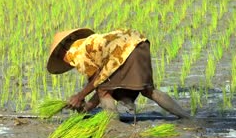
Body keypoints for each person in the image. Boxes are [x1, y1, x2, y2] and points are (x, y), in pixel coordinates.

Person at [47, 28, 191, 119]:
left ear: (62, 53)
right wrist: (86, 107)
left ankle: (114, 126)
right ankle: (186, 117)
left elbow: (98, 82)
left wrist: (80, 96)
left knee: (104, 91)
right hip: (140, 43)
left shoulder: (76, 53)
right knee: (148, 90)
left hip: (122, 52)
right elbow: (102, 80)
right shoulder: (87, 42)